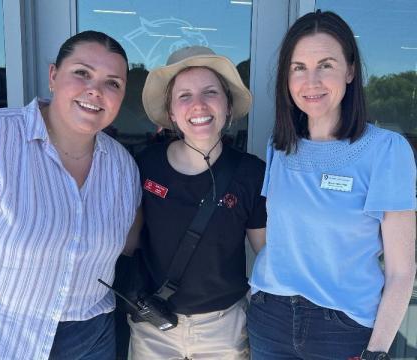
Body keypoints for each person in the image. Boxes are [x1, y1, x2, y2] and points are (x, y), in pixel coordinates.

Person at [0, 30, 141, 360]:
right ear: (53, 76)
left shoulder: (123, 168)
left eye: (112, 83)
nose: (95, 90)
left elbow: (132, 245)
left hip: (89, 343)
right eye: (82, 73)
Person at [247, 10, 416, 360]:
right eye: (298, 67)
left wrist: (377, 351)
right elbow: (276, 239)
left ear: (350, 71)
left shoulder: (387, 150)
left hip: (343, 330)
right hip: (269, 318)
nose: (311, 81)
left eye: (326, 64)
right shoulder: (279, 145)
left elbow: (402, 271)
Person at [127, 46, 267, 359]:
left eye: (210, 92)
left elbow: (267, 253)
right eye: (184, 96)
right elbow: (127, 243)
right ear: (172, 113)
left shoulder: (251, 173)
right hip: (153, 325)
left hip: (225, 328)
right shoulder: (143, 165)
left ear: (228, 106)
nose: (199, 104)